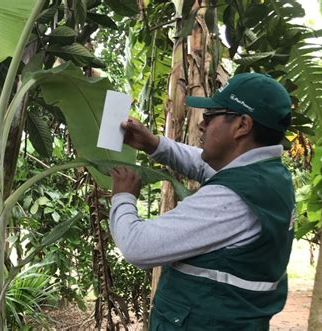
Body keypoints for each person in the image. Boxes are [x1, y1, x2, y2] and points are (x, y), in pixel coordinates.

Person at [109, 72, 295, 330]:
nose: (201, 125)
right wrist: (154, 144)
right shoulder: (269, 174)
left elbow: (137, 246)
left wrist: (123, 197)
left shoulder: (231, 199)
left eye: (210, 117)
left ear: (242, 125)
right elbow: (206, 165)